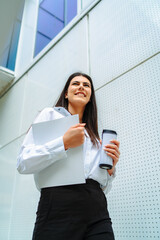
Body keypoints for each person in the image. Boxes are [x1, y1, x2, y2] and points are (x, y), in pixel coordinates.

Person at [17, 72, 120, 240]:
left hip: (97, 209)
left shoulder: (94, 137)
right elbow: (23, 162)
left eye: (86, 85)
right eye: (76, 83)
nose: (81, 87)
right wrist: (63, 143)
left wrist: (110, 170)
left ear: (90, 96)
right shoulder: (49, 115)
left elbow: (103, 188)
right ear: (66, 93)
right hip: (58, 206)